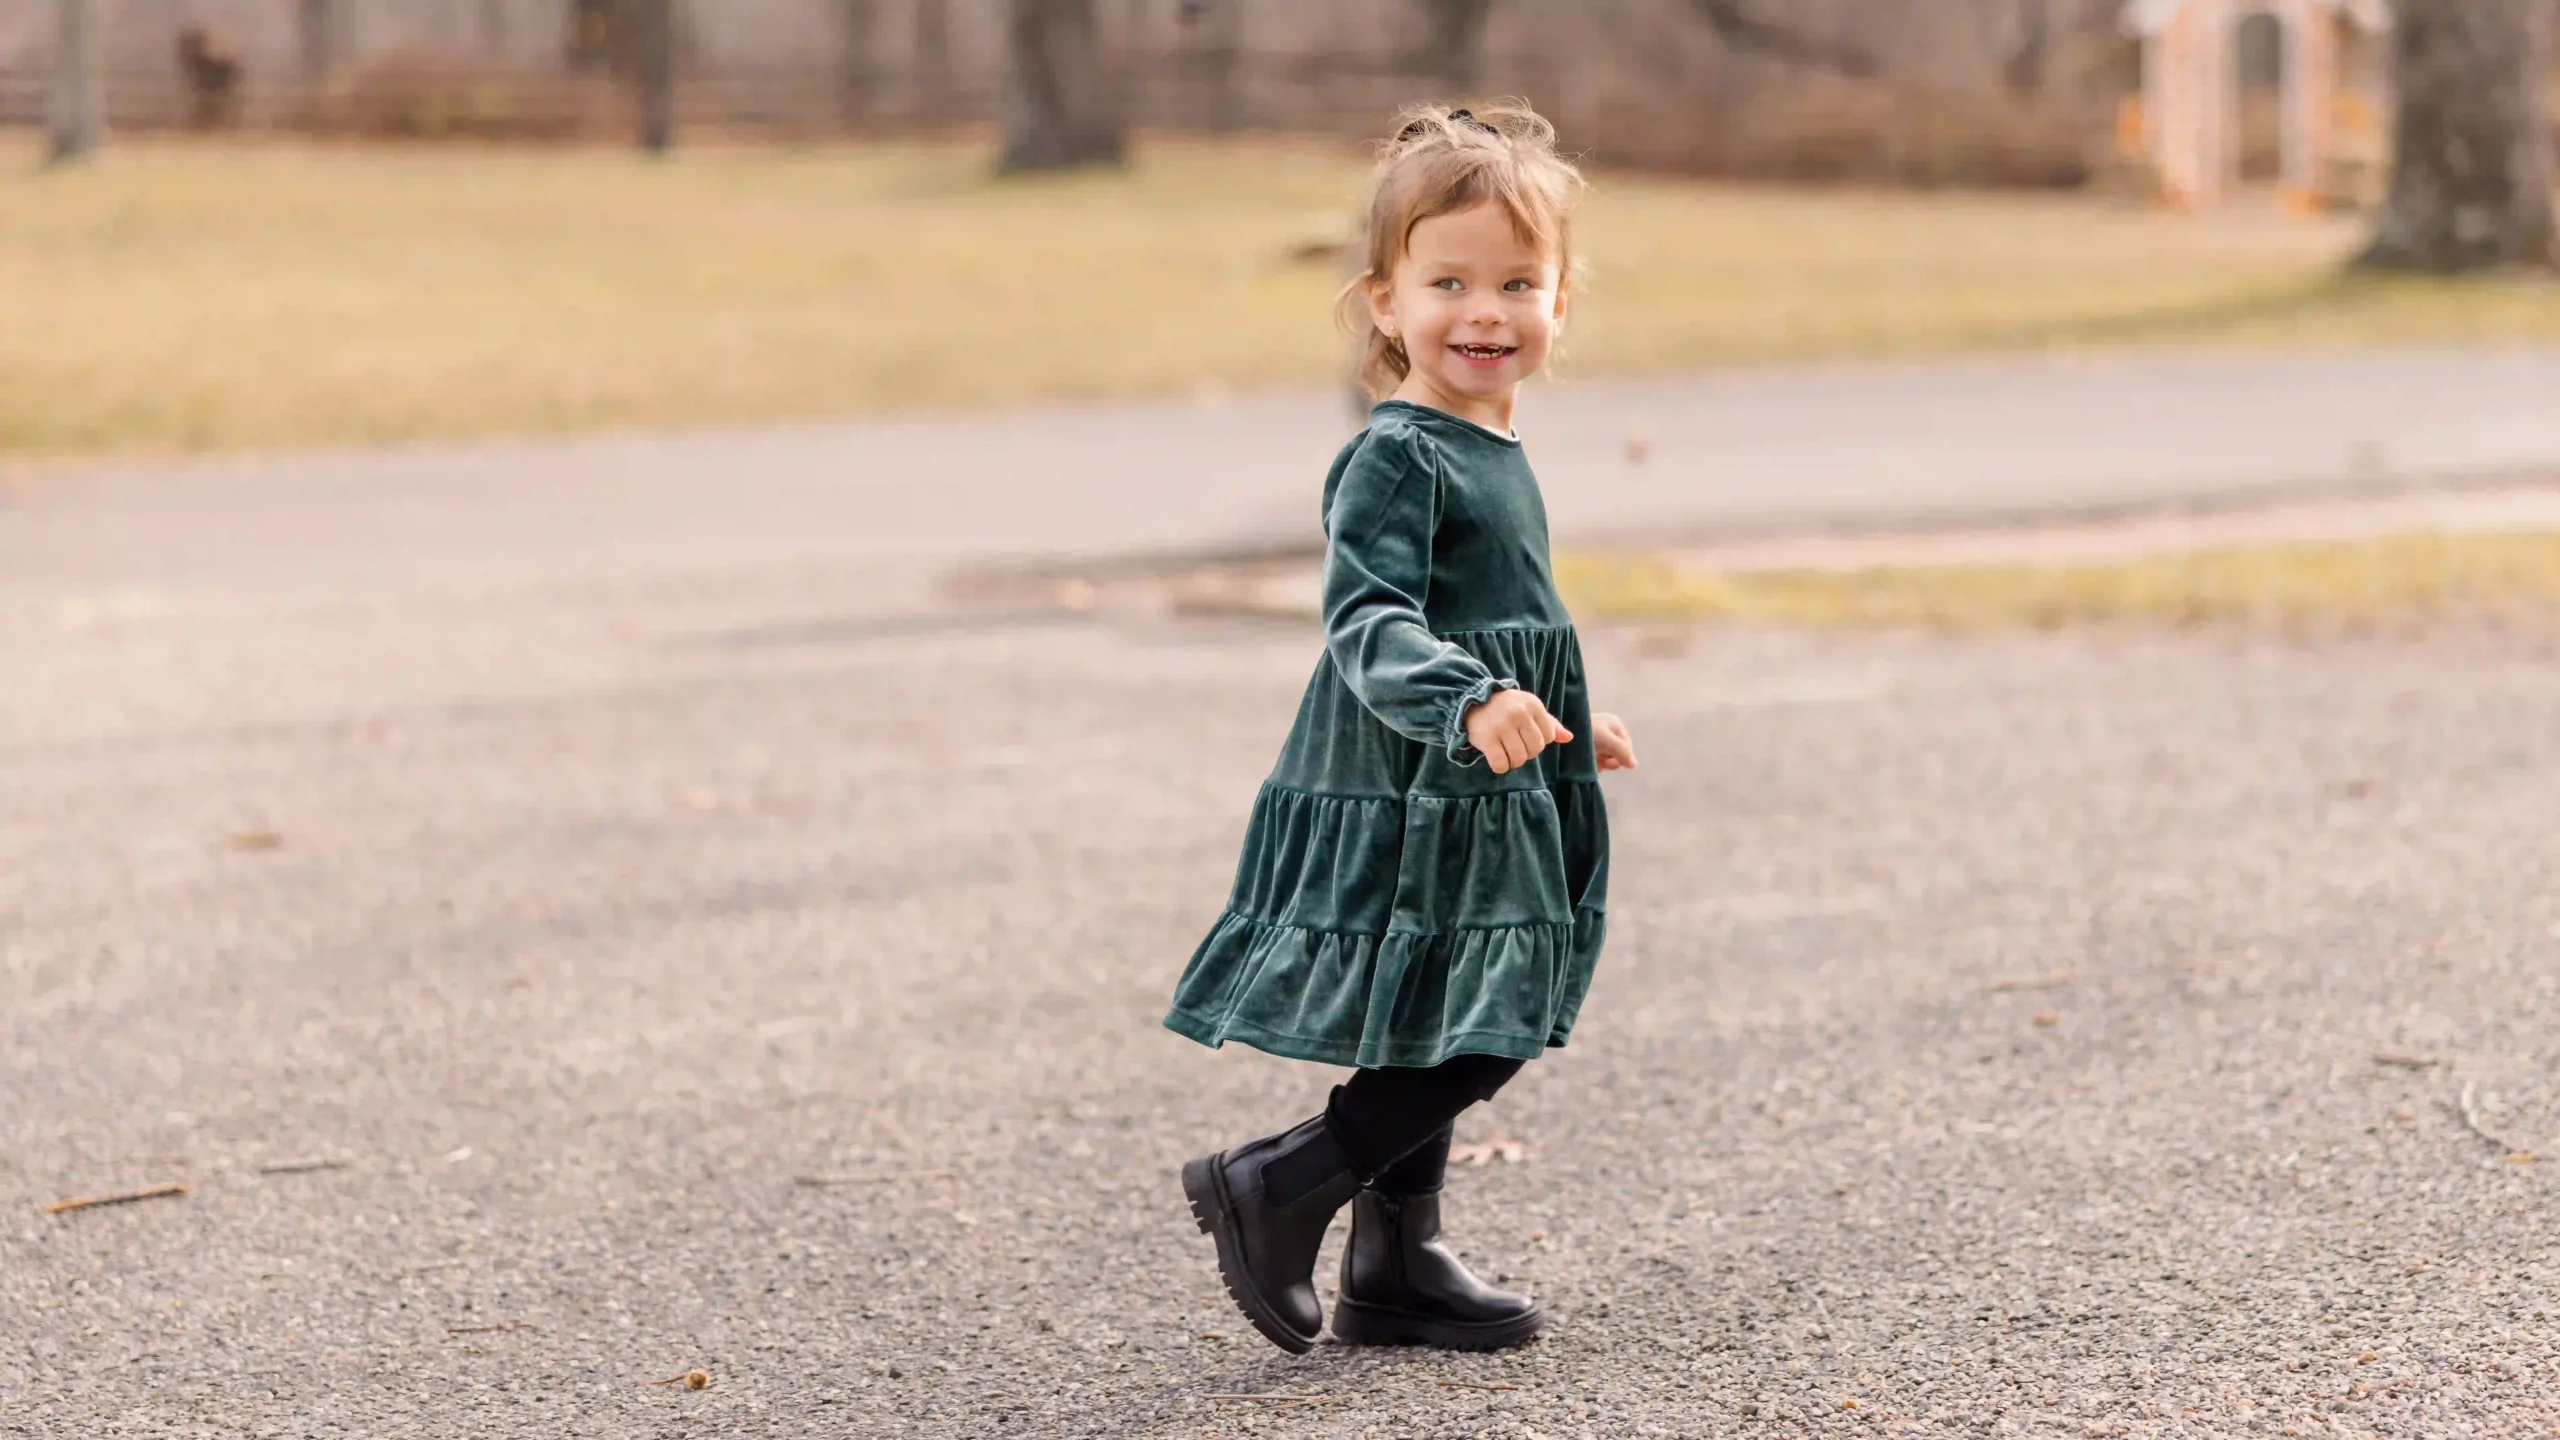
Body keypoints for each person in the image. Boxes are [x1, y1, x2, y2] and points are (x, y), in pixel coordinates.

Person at [1164, 101, 1637, 1355]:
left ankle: (1397, 1257)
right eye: (1448, 282)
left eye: (1516, 282)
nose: (1485, 311)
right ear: (1384, 303)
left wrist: (1559, 719)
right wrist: (1470, 700)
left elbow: (1500, 612)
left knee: (1451, 995)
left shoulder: (1493, 443)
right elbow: (1367, 620)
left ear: (1560, 303)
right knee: (1492, 1006)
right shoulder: (1394, 456)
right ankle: (1280, 1182)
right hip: (1414, 767)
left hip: (1485, 762)